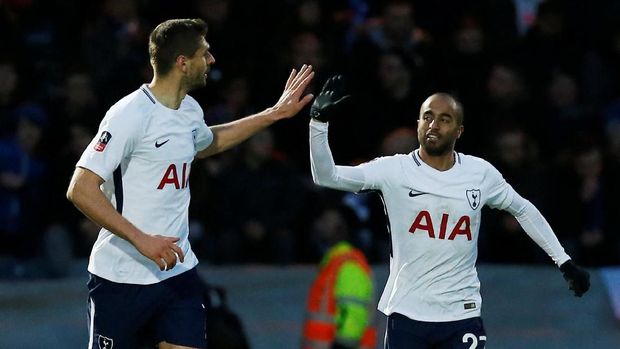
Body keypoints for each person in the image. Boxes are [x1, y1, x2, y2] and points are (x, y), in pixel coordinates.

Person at [66, 18, 314, 349]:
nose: (211, 61)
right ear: (183, 63)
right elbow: (80, 188)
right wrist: (142, 240)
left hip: (177, 272)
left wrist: (272, 114)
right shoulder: (130, 114)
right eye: (204, 53)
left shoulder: (189, 110)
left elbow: (206, 142)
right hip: (122, 276)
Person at [307, 75, 591, 349]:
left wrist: (564, 261)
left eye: (445, 119)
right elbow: (326, 176)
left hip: (461, 314)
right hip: (407, 313)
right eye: (428, 117)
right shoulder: (393, 170)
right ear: (418, 123)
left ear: (459, 131)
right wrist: (318, 122)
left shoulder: (480, 173)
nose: (434, 125)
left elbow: (523, 209)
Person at [302, 204, 377, 349]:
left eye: (326, 220)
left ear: (342, 227)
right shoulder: (334, 263)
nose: (319, 225)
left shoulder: (348, 265)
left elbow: (352, 320)